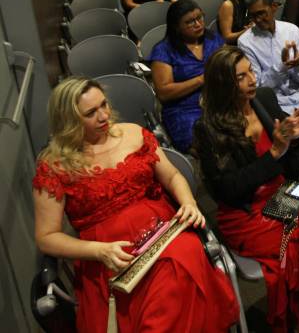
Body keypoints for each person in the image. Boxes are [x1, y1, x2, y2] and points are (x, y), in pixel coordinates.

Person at [33, 77, 238, 332]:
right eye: (91, 113)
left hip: (161, 231)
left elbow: (173, 176)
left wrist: (188, 202)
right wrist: (99, 251)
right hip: (108, 254)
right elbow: (46, 237)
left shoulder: (132, 133)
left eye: (104, 104)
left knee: (177, 273)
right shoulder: (54, 165)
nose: (104, 115)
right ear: (69, 121)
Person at [193, 47, 299, 332]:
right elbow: (228, 190)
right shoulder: (208, 128)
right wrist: (274, 152)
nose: (252, 80)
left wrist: (294, 140)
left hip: (281, 193)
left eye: (251, 72)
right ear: (224, 85)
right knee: (298, 240)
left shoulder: (264, 100)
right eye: (241, 77)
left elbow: (291, 167)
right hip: (246, 213)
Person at [150, 0, 224, 152]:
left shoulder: (212, 38)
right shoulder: (164, 50)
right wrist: (201, 79)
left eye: (200, 18)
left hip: (218, 98)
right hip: (184, 109)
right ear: (176, 27)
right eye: (190, 22)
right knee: (209, 144)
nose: (198, 24)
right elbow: (164, 93)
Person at [238, 0, 299, 115]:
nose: (257, 20)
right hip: (274, 104)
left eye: (261, 13)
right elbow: (257, 86)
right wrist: (282, 66)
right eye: (253, 15)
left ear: (274, 7)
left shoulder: (291, 30)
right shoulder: (245, 42)